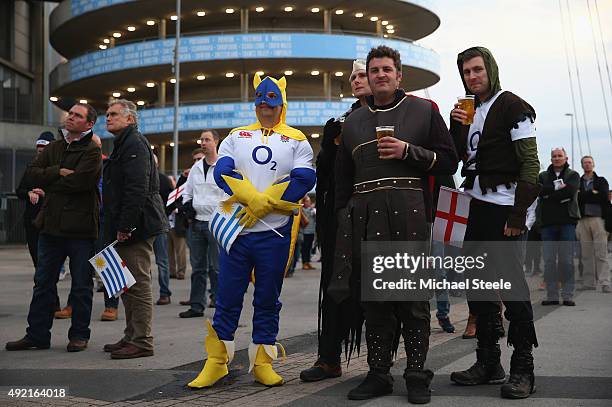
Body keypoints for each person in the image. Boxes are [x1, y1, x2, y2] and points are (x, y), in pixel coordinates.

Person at [333, 46, 458, 404]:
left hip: (411, 212)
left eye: (387, 69)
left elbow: (449, 160)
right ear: (368, 77)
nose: (380, 75)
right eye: (374, 70)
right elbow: (344, 179)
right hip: (367, 215)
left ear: (399, 75)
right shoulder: (353, 120)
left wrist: (408, 152)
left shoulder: (423, 110)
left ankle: (417, 375)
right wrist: (344, 219)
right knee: (375, 301)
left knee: (413, 299)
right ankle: (378, 374)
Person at [188, 74, 315, 388]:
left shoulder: (297, 139)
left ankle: (262, 362)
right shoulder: (236, 135)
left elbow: (303, 180)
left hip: (275, 233)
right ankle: (217, 362)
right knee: (227, 298)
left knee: (268, 299)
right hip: (238, 233)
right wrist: (251, 198)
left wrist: (266, 202)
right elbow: (222, 171)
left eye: (271, 98)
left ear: (282, 102)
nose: (264, 104)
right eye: (260, 97)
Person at [449, 46, 540, 399]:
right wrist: (457, 128)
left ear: (490, 69)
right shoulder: (466, 109)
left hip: (504, 206)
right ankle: (488, 361)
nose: (472, 77)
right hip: (473, 205)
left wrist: (518, 215)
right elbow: (458, 159)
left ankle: (523, 367)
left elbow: (531, 163)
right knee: (478, 286)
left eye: (477, 69)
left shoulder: (513, 106)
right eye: (466, 72)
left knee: (512, 287)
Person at [6, 103, 101, 353]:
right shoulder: (55, 147)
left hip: (80, 230)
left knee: (81, 285)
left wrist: (50, 180)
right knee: (43, 283)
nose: (71, 117)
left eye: (77, 115)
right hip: (50, 227)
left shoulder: (92, 150)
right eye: (70, 113)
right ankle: (37, 335)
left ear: (89, 124)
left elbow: (82, 182)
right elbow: (32, 176)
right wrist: (58, 171)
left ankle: (79, 335)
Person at [300, 59, 371, 382]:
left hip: (380, 218)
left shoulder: (395, 116)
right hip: (339, 221)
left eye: (362, 75)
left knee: (380, 294)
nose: (356, 81)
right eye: (353, 76)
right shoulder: (338, 122)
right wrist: (329, 146)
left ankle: (381, 364)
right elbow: (323, 176)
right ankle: (329, 358)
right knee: (335, 289)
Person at [102, 99, 168, 359]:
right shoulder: (123, 143)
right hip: (128, 225)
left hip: (137, 226)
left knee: (137, 284)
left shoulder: (134, 143)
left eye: (114, 114)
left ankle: (142, 341)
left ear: (130, 119)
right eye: (107, 114)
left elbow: (136, 188)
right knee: (126, 285)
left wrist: (125, 226)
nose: (108, 118)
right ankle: (131, 335)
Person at [179, 130, 225, 318]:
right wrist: (187, 207)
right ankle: (197, 305)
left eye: (207, 140)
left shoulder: (225, 166)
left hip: (216, 223)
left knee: (216, 267)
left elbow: (230, 193)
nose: (203, 143)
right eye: (202, 140)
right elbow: (187, 193)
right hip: (197, 223)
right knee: (198, 268)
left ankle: (220, 304)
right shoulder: (196, 168)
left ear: (216, 142)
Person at [538, 148, 580, 306]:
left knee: (566, 260)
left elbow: (570, 192)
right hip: (547, 224)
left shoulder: (573, 175)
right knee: (549, 261)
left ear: (565, 157)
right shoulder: (543, 176)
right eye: (554, 156)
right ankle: (552, 296)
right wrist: (556, 191)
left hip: (567, 223)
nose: (557, 158)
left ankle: (568, 295)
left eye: (559, 156)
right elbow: (539, 190)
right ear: (550, 158)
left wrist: (549, 195)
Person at [576, 156, 610, 292]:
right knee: (586, 253)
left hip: (598, 219)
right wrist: (591, 194)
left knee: (601, 252)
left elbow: (603, 195)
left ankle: (605, 282)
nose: (587, 165)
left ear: (593, 164)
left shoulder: (601, 181)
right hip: (582, 220)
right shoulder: (578, 182)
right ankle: (589, 283)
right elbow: (577, 198)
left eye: (589, 162)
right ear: (582, 165)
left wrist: (585, 194)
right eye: (585, 163)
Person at [153, 155, 173, 305]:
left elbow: (172, 200)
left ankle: (165, 293)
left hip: (159, 226)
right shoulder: (138, 177)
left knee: (162, 261)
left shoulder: (164, 180)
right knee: (141, 263)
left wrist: (163, 213)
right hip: (141, 227)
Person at [300, 195, 316, 270]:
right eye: (307, 201)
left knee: (309, 248)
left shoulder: (312, 210)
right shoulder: (302, 210)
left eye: (309, 201)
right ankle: (304, 263)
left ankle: (308, 262)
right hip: (305, 232)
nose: (309, 202)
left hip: (311, 232)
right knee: (305, 248)